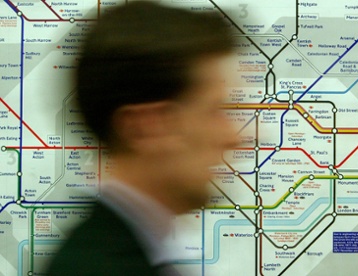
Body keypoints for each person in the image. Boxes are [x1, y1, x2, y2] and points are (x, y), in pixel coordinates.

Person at [46, 2, 237, 275]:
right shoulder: (101, 268)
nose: (234, 137)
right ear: (147, 127)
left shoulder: (125, 254)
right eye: (215, 111)